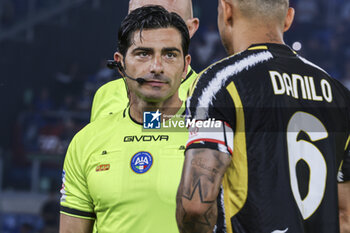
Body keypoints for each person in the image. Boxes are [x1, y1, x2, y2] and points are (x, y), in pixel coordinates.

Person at [176, 0, 350, 232]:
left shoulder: (220, 83)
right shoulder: (340, 95)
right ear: (288, 18)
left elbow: (195, 205)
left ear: (227, 11)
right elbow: (345, 215)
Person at [59, 6, 191, 233]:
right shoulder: (87, 141)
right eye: (143, 54)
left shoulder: (212, 131)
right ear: (120, 63)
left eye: (170, 54)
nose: (156, 67)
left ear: (186, 66)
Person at [90, 0, 199, 122]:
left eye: (165, 19)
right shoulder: (106, 93)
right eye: (137, 18)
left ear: (190, 28)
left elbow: (150, 131)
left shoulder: (207, 94)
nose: (150, 29)